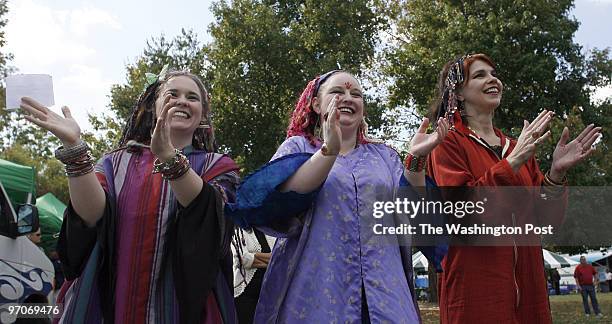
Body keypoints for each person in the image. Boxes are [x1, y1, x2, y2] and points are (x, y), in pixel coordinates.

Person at [226, 70, 450, 323]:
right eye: (337, 91)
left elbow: (418, 218)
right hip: (315, 295)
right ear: (316, 104)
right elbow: (280, 202)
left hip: (386, 295)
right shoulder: (298, 148)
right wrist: (329, 151)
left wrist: (415, 161)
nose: (348, 97)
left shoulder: (384, 157)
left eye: (356, 94)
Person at [20, 67, 240, 323]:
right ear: (153, 105)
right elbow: (90, 217)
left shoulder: (218, 166)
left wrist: (169, 158)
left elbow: (212, 220)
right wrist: (74, 148)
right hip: (109, 306)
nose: (182, 101)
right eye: (172, 94)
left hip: (184, 310)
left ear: (202, 114)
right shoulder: (116, 163)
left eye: (192, 97)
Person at [427, 54, 602, 323]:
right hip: (477, 294)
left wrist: (555, 174)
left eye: (493, 73)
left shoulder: (517, 146)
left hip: (531, 293)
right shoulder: (446, 143)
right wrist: (513, 163)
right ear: (459, 93)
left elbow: (545, 222)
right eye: (480, 75)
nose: (492, 79)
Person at [232, 228, 276, 323]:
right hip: (246, 294)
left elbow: (282, 257)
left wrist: (254, 257)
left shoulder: (270, 229)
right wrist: (273, 259)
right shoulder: (238, 230)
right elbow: (242, 259)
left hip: (270, 293)